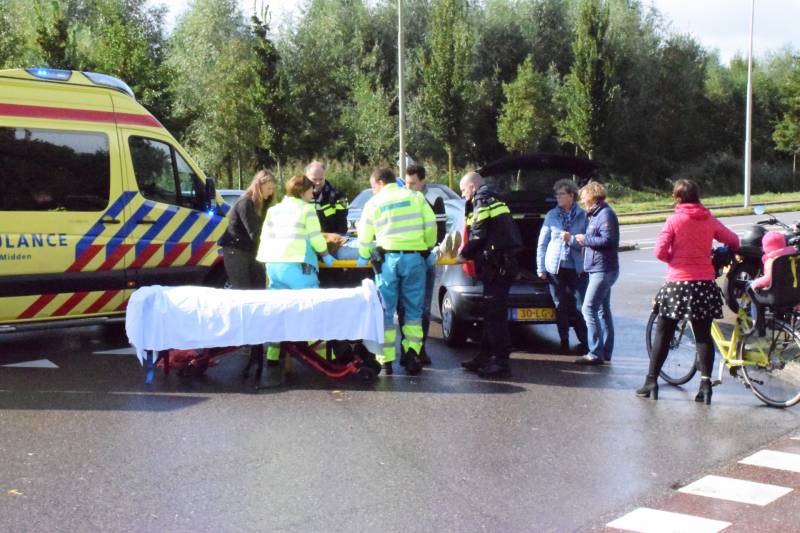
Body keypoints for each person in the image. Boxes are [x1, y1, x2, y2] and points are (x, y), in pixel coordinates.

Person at [636, 179, 740, 403]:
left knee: (663, 333)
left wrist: (674, 258)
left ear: (677, 198)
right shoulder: (708, 219)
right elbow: (733, 240)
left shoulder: (674, 221)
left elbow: (659, 252)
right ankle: (705, 385)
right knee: (703, 336)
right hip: (704, 283)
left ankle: (651, 381)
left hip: (678, 283)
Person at [357, 168, 436, 376]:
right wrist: (426, 247)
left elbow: (364, 235)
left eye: (373, 186)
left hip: (387, 261)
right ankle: (412, 354)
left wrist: (364, 254)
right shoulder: (416, 197)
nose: (373, 191)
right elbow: (430, 225)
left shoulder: (374, 203)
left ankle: (385, 360)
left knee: (385, 311)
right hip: (414, 258)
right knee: (413, 311)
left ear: (381, 183)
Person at [257, 175, 336, 366]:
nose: (313, 193)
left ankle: (274, 355)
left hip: (274, 266)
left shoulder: (274, 210)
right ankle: (325, 356)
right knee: (313, 308)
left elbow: (265, 236)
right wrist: (326, 255)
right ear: (302, 192)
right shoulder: (307, 210)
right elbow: (316, 238)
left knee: (278, 310)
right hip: (299, 266)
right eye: (311, 190)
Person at [457, 171, 523, 378]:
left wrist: (463, 254)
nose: (462, 195)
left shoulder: (482, 200)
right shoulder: (494, 199)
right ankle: (484, 356)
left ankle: (501, 363)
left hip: (497, 267)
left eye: (463, 190)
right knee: (490, 314)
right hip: (499, 265)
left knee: (495, 317)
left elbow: (478, 233)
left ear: (472, 186)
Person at [536, 179, 589, 354]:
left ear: (572, 195)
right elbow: (542, 243)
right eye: (556, 194)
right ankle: (564, 339)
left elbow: (587, 242)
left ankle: (585, 339)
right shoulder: (552, 215)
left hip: (576, 267)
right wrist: (541, 267)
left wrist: (572, 240)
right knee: (560, 304)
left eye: (561, 194)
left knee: (580, 305)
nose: (558, 197)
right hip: (555, 268)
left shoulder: (583, 215)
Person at [401, 164, 446, 365]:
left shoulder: (434, 200)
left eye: (413, 183)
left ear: (423, 181)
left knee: (423, 307)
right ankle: (407, 350)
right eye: (406, 183)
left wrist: (429, 253)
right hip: (406, 260)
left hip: (425, 260)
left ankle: (421, 348)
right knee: (404, 307)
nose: (409, 187)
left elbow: (440, 233)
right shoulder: (401, 198)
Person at [574, 181, 620, 365]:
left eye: (584, 196)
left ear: (593, 196)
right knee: (602, 310)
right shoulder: (596, 214)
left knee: (588, 308)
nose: (582, 199)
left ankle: (595, 352)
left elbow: (609, 240)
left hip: (603, 269)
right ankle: (605, 350)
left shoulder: (605, 214)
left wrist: (586, 239)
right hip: (599, 268)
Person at [218, 169, 276, 289]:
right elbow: (255, 232)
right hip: (236, 250)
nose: (271, 193)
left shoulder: (262, 204)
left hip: (251, 250)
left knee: (258, 287)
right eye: (269, 188)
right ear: (259, 186)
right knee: (243, 290)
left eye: (272, 189)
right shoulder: (245, 203)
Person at [306, 160, 348, 234]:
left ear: (325, 176)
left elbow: (342, 223)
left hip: (331, 240)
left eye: (321, 179)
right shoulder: (300, 196)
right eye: (314, 179)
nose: (318, 183)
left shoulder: (337, 195)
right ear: (307, 176)